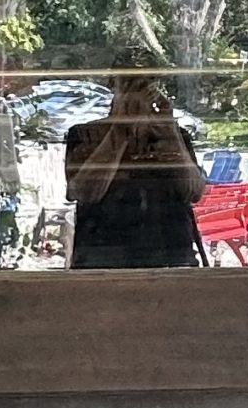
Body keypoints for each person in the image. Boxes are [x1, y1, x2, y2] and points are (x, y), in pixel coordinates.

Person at [64, 74, 207, 270]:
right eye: (130, 83)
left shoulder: (174, 135)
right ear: (114, 87)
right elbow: (83, 192)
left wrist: (169, 132)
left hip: (171, 257)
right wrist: (121, 129)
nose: (139, 93)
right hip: (102, 257)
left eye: (147, 83)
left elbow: (194, 192)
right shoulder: (85, 135)